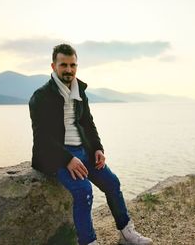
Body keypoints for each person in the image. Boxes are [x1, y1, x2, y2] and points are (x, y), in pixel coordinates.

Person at [28, 43, 153, 245]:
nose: (69, 70)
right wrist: (67, 159)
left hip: (84, 151)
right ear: (53, 66)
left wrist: (97, 149)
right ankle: (88, 242)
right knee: (83, 191)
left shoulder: (80, 92)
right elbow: (42, 137)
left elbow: (88, 122)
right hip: (57, 155)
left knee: (112, 183)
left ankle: (126, 233)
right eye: (63, 65)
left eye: (72, 65)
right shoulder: (40, 97)